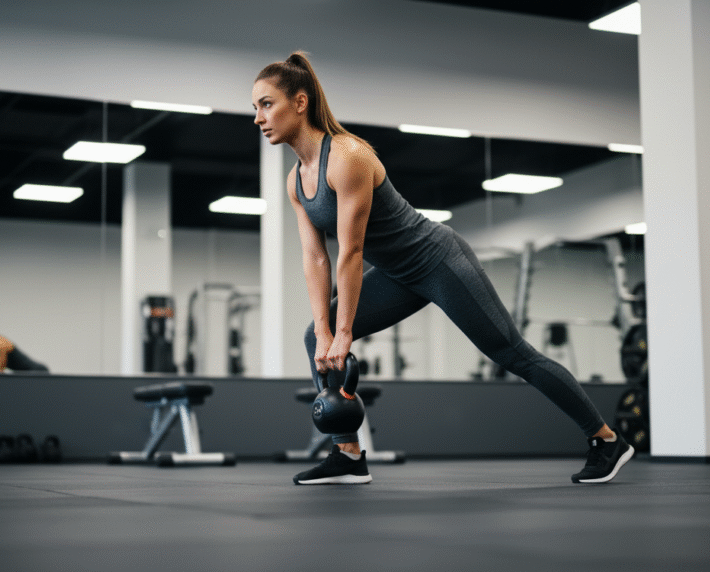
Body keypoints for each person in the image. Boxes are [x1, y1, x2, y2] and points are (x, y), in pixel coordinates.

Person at [252, 52, 634, 486]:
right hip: (397, 274)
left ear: (299, 103)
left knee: (510, 351)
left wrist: (342, 333)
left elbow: (350, 253)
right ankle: (348, 454)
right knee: (310, 336)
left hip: (437, 259)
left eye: (266, 104)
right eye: (255, 108)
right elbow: (315, 257)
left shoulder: (347, 155)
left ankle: (606, 440)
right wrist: (324, 329)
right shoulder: (296, 180)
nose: (258, 117)